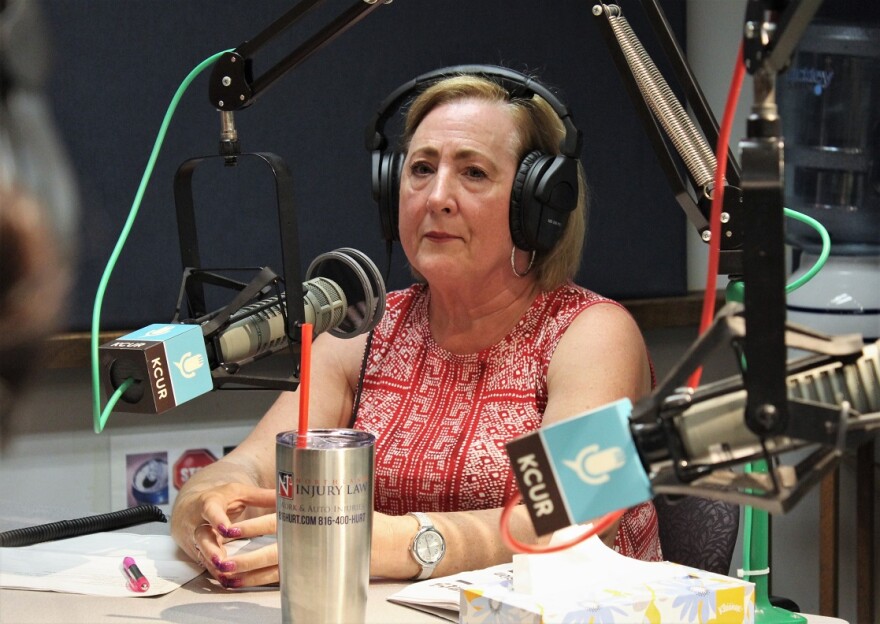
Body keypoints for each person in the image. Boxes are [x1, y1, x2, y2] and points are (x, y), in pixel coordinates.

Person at [171, 68, 662, 589]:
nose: (436, 197)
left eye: (473, 173)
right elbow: (246, 470)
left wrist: (393, 543)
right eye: (421, 169)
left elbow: (577, 522)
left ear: (537, 205)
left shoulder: (593, 334)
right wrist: (208, 508)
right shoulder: (359, 329)